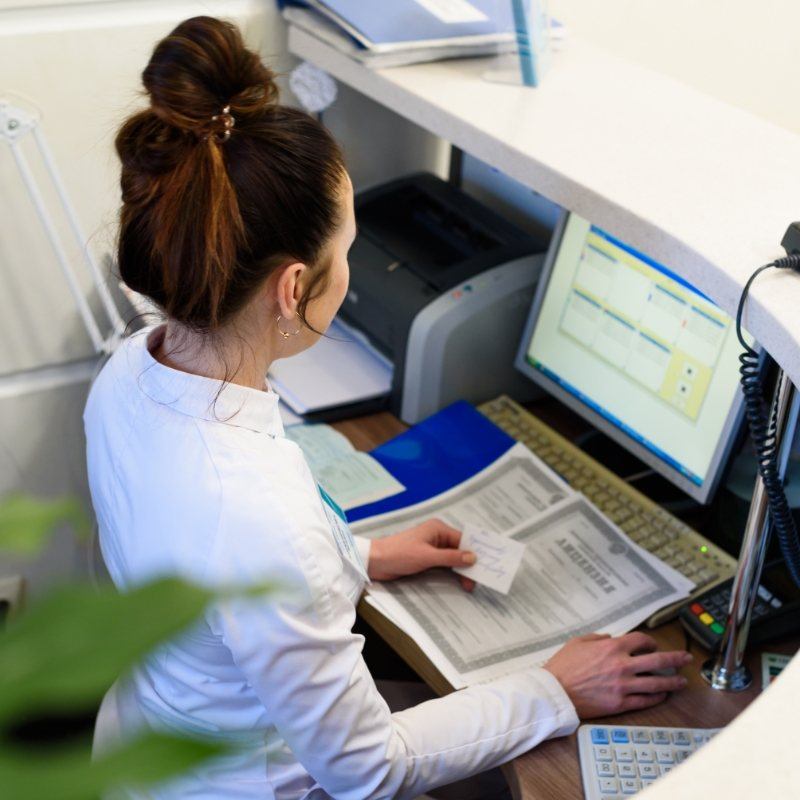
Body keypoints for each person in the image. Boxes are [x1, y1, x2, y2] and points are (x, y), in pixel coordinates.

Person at [84, 16, 692, 800]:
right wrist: (554, 689)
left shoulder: (132, 370)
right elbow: (369, 772)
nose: (353, 268)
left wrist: (361, 558)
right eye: (348, 249)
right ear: (294, 288)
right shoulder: (259, 515)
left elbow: (207, 569)